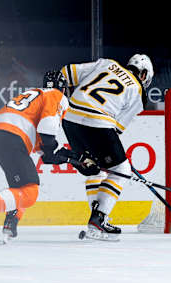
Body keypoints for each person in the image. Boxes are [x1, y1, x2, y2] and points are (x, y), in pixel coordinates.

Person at [0, 71, 76, 243]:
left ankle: (10, 221)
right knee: (31, 192)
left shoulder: (35, 95)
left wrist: (66, 158)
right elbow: (48, 133)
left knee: (23, 186)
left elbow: (46, 153)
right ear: (63, 88)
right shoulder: (56, 95)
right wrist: (64, 154)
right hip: (12, 137)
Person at [60, 54, 154, 241]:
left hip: (70, 119)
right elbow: (116, 129)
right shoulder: (138, 92)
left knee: (94, 169)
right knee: (121, 169)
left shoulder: (106, 63)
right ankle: (99, 219)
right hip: (98, 123)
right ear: (143, 75)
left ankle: (97, 218)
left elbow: (65, 74)